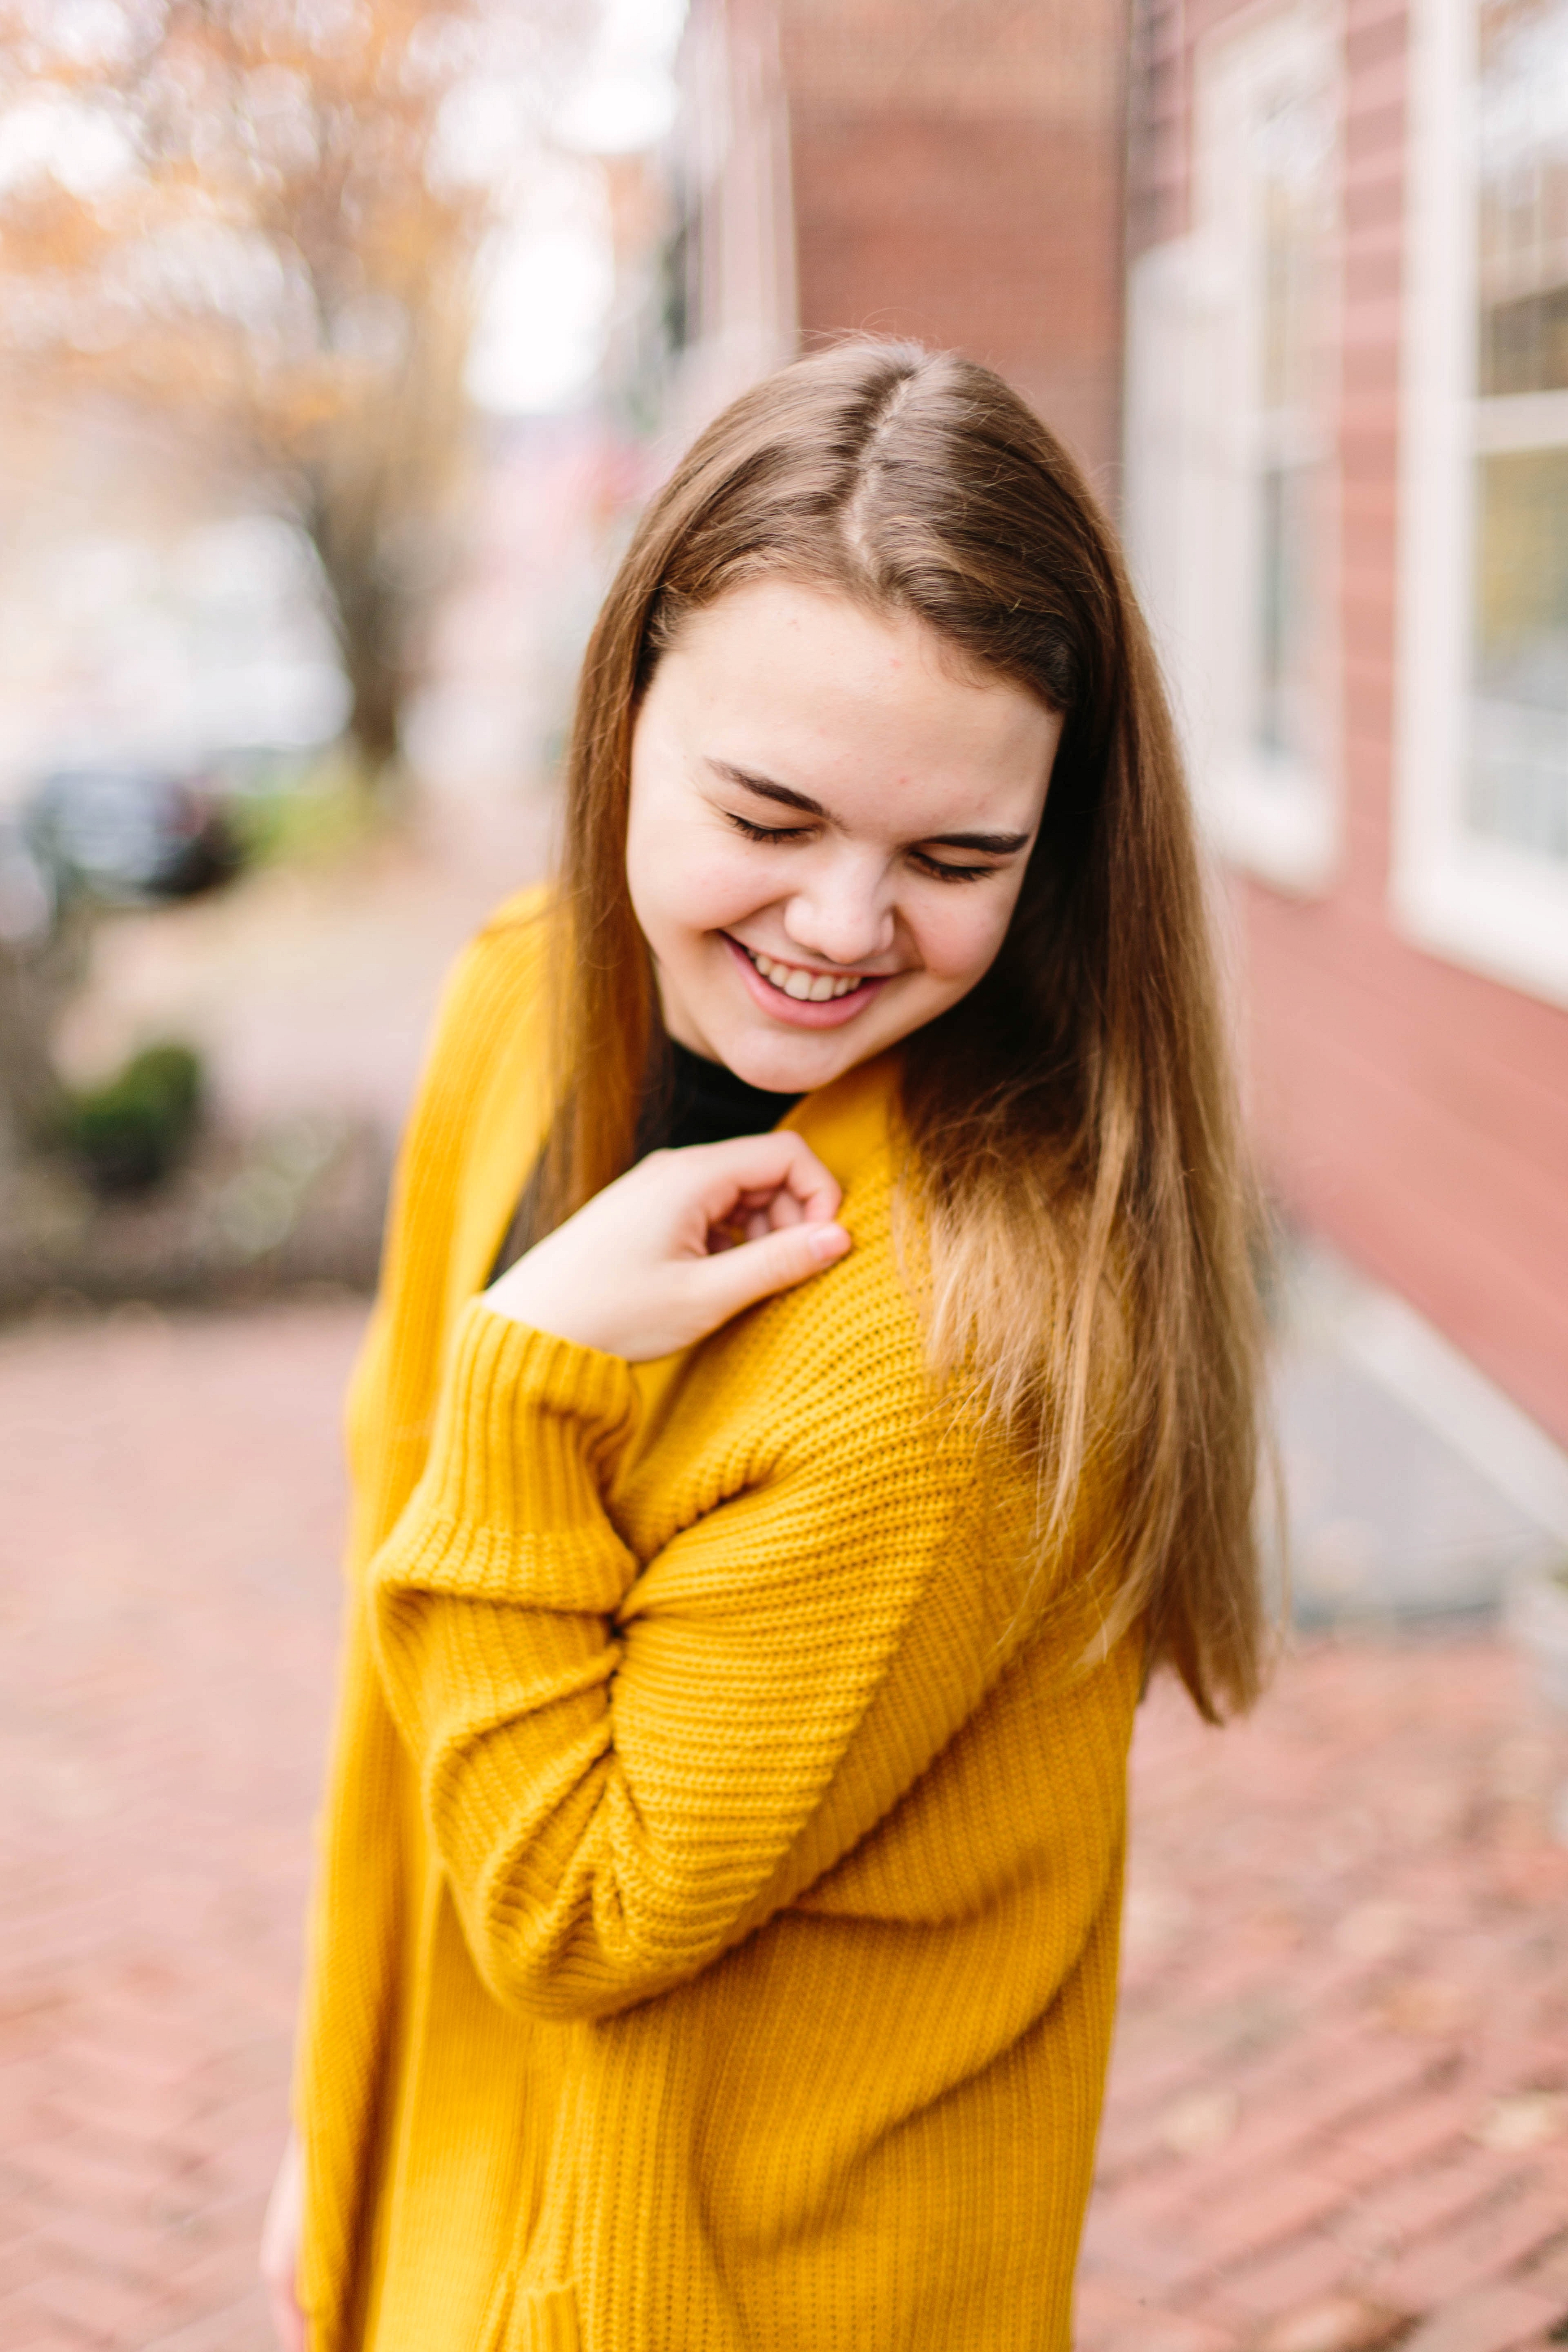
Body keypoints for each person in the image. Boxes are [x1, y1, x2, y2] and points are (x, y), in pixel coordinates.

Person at [262, 340, 1271, 2352]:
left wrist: (531, 1383)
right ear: (622, 702)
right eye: (768, 810)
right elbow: (411, 1660)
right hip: (473, 2178)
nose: (837, 921)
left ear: (1056, 842)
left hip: (728, 2285)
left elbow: (578, 1902)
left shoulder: (949, 1339)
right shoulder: (508, 1012)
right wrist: (348, 2111)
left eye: (953, 857)